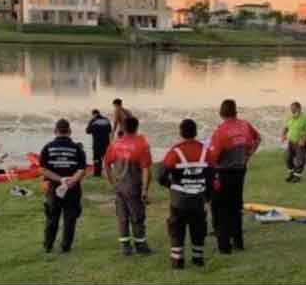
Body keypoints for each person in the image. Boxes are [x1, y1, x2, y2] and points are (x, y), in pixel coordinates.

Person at [158, 119, 214, 269]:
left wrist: (171, 186)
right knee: (198, 228)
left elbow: (161, 175)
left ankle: (177, 261)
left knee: (177, 229)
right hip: (198, 199)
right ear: (195, 133)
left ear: (181, 132)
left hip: (179, 200)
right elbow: (211, 177)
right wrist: (207, 196)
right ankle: (198, 259)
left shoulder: (175, 152)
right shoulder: (205, 151)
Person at [207, 99, 261, 254]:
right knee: (235, 207)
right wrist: (248, 155)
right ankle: (238, 242)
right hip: (240, 171)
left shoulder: (220, 131)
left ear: (221, 113)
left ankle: (224, 246)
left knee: (219, 208)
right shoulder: (245, 125)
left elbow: (213, 157)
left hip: (223, 173)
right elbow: (258, 139)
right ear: (236, 111)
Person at [103, 116, 153, 256]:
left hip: (119, 186)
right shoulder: (141, 144)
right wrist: (145, 189)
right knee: (137, 217)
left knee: (122, 217)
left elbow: (106, 163)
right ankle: (140, 245)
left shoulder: (115, 144)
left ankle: (125, 247)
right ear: (137, 127)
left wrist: (111, 181)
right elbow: (145, 169)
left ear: (123, 128)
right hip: (134, 186)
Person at [39, 119, 87, 253]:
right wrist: (72, 181)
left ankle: (48, 245)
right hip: (72, 189)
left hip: (54, 187)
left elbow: (42, 169)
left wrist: (60, 180)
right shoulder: (77, 148)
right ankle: (66, 247)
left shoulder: (47, 147)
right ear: (70, 131)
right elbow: (82, 170)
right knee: (70, 218)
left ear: (55, 131)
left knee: (52, 217)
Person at [281, 101, 306, 183]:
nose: (292, 111)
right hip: (291, 142)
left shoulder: (305, 118)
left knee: (300, 160)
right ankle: (291, 173)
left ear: (299, 108)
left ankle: (297, 176)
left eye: (294, 109)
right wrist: (283, 135)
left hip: (300, 143)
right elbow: (286, 127)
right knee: (288, 159)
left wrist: (303, 140)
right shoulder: (289, 117)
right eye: (291, 109)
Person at [85, 109, 112, 177]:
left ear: (94, 114)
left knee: (97, 159)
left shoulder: (93, 121)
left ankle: (97, 174)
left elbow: (87, 131)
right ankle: (109, 173)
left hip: (97, 143)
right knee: (106, 158)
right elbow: (110, 130)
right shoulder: (106, 120)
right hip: (106, 143)